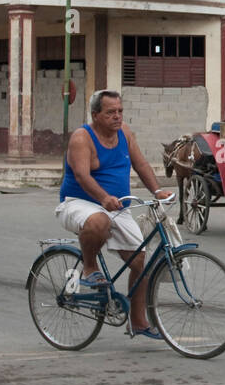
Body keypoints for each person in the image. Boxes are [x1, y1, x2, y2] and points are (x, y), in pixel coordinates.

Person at [56, 89, 173, 340]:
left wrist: (157, 190)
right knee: (99, 221)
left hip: (117, 206)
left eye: (120, 111)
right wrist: (103, 198)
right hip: (78, 203)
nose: (117, 117)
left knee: (141, 263)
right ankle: (89, 267)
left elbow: (140, 163)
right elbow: (82, 176)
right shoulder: (82, 138)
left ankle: (138, 322)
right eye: (111, 112)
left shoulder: (125, 133)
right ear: (96, 115)